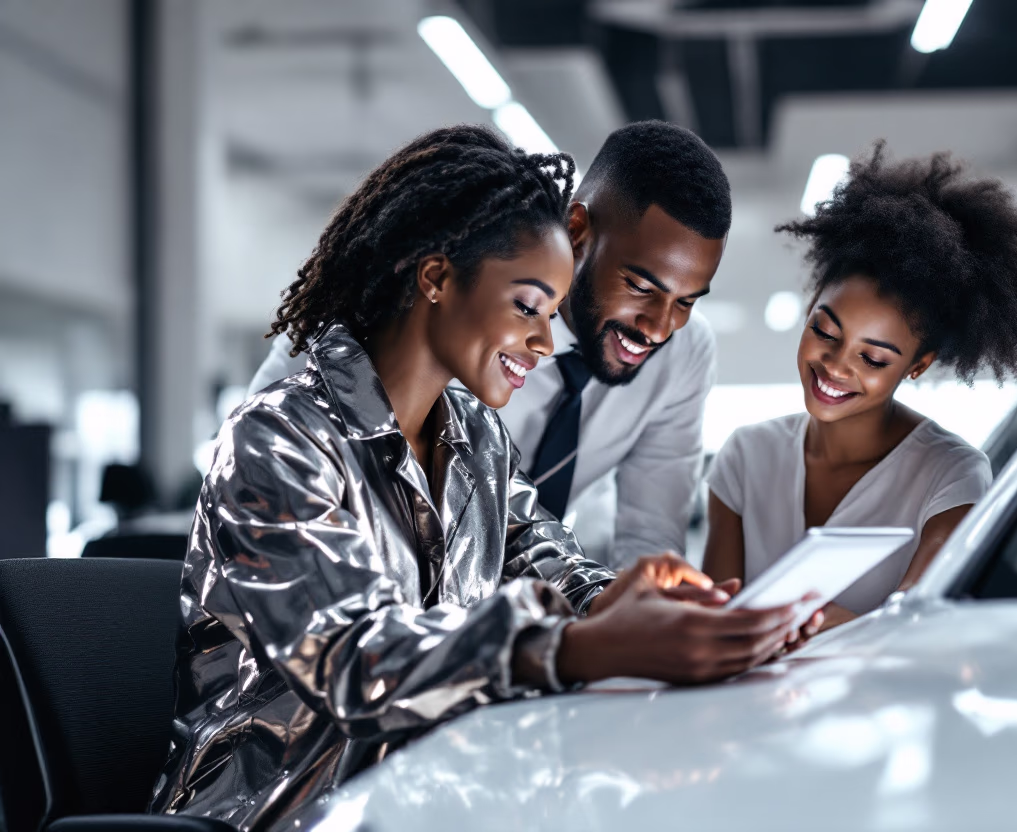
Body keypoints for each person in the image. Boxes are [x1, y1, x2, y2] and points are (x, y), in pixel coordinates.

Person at [152, 126, 797, 832]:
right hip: (288, 815)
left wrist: (637, 604)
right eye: (528, 307)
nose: (548, 343)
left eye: (552, 312)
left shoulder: (473, 435)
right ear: (435, 278)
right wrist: (571, 648)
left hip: (433, 801)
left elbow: (547, 557)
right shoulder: (276, 437)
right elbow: (352, 658)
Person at [249, 120, 732, 569]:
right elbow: (341, 615)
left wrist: (641, 615)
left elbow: (544, 549)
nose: (660, 328)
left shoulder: (479, 437)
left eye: (687, 302)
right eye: (641, 287)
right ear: (578, 231)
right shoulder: (293, 421)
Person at [703, 143, 1017, 638]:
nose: (835, 365)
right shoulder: (747, 454)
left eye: (872, 358)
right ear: (808, 309)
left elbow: (921, 632)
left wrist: (834, 628)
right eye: (825, 332)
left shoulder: (950, 475)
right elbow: (710, 622)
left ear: (918, 365)